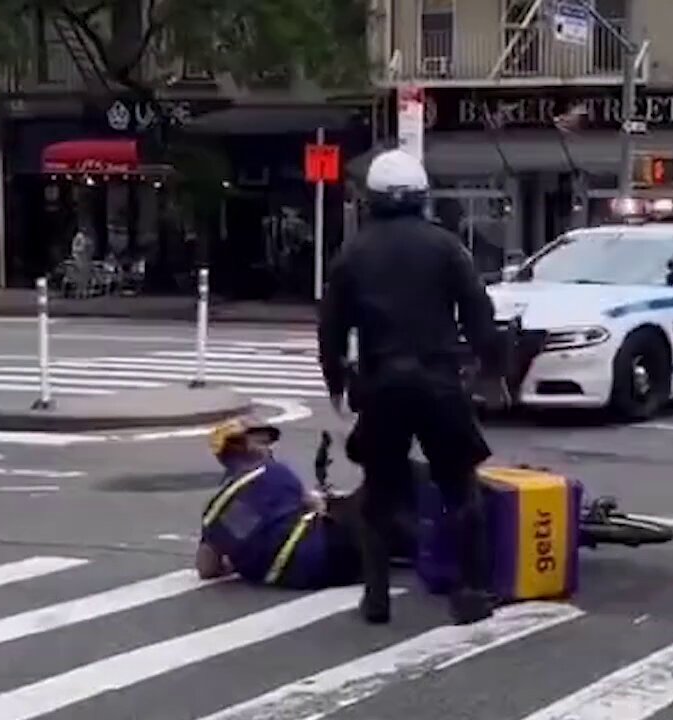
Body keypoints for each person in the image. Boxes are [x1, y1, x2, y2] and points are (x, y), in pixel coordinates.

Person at [317, 148, 507, 626]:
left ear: (371, 199)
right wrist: (490, 369)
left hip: (381, 383)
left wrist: (336, 382)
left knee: (379, 492)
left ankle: (377, 597)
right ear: (422, 196)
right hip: (439, 379)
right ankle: (471, 592)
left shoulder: (352, 253)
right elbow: (478, 312)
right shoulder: (445, 246)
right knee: (459, 486)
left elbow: (331, 328)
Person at [195, 419, 361, 589]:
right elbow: (317, 506)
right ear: (239, 447)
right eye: (262, 442)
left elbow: (206, 568)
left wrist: (235, 565)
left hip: (291, 577)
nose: (270, 448)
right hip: (329, 552)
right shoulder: (273, 472)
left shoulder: (216, 510)